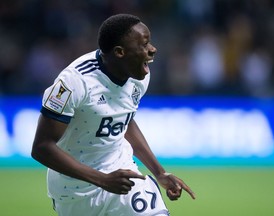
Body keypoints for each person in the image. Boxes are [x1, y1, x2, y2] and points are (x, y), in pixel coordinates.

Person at [31, 13, 195, 216]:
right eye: (143, 45)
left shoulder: (140, 75)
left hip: (124, 175)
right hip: (74, 192)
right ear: (120, 52)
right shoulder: (73, 83)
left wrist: (159, 172)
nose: (152, 49)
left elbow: (123, 120)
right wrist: (103, 179)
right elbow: (41, 147)